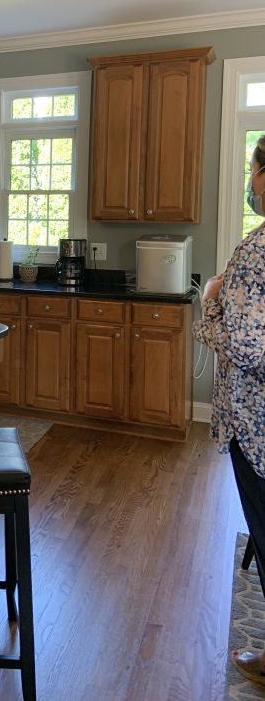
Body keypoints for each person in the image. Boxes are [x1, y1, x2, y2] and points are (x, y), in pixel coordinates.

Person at [193, 134, 265, 686]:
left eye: (253, 169)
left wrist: (210, 302)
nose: (249, 182)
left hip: (255, 423)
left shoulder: (257, 251)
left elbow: (247, 345)